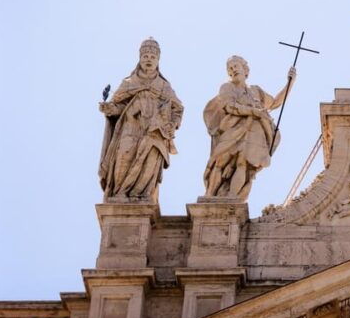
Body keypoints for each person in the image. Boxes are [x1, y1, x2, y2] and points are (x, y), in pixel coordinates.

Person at [98, 37, 183, 201]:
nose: (148, 60)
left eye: (152, 57)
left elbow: (177, 108)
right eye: (145, 56)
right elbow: (119, 106)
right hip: (130, 128)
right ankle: (120, 194)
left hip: (155, 132)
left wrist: (173, 124)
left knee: (149, 162)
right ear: (140, 58)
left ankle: (140, 195)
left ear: (158, 60)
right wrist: (110, 109)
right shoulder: (129, 82)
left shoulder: (164, 86)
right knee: (124, 157)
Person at [203, 55, 296, 199]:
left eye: (236, 66)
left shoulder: (256, 91)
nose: (233, 70)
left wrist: (290, 83)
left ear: (245, 70)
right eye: (230, 69)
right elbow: (229, 106)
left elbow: (275, 103)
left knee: (243, 165)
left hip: (256, 130)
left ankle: (233, 198)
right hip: (234, 128)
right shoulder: (227, 87)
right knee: (220, 161)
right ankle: (209, 195)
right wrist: (253, 111)